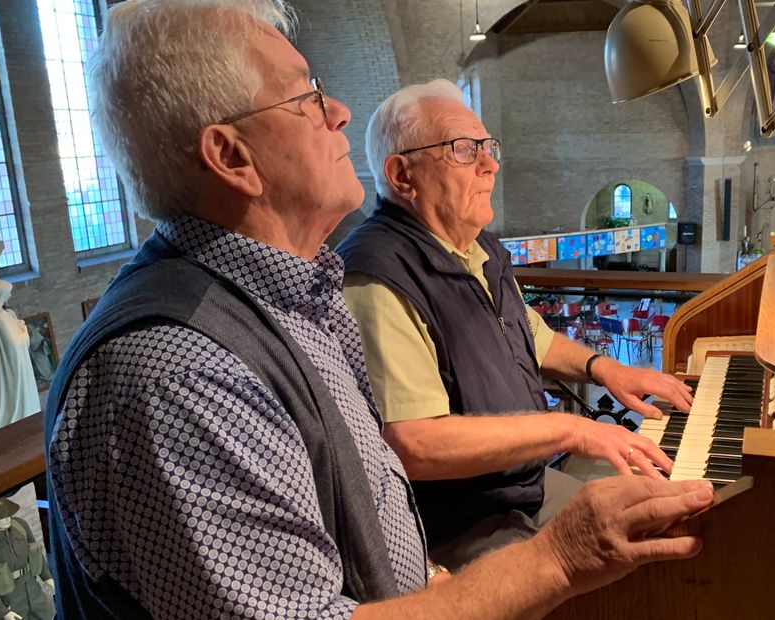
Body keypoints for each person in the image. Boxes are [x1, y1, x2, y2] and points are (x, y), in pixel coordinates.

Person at [43, 1, 716, 618]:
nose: (338, 109)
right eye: (305, 96)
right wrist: (558, 557)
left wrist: (430, 579)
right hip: (480, 516)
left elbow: (365, 501)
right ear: (230, 155)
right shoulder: (183, 375)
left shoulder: (293, 296)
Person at [336, 79, 696, 568]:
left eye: (487, 148)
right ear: (402, 175)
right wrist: (570, 430)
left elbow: (532, 335)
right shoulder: (377, 276)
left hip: (520, 486)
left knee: (664, 517)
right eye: (463, 150)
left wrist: (606, 369)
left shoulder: (477, 250)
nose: (490, 164)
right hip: (458, 521)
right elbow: (414, 443)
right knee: (631, 565)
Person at [0, 497, 54, 620]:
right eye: (1, 517)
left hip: (33, 588)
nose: (7, 519)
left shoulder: (20, 525)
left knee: (49, 614)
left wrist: (47, 577)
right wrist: (2, 612)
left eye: (9, 515)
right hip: (9, 599)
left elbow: (35, 552)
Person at [0, 281, 41, 430]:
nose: (10, 295)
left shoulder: (4, 314)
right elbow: (14, 344)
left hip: (20, 363)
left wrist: (20, 327)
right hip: (13, 367)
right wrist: (24, 330)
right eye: (7, 292)